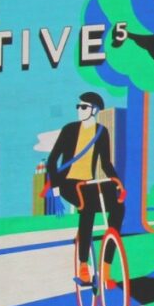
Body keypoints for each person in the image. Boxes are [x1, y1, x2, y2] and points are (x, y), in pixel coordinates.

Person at [45, 90, 123, 290]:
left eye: (83, 107)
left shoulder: (101, 132)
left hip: (88, 183)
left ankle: (106, 269)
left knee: (119, 207)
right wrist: (54, 191)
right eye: (78, 106)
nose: (79, 110)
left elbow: (105, 164)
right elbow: (52, 160)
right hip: (68, 182)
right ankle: (83, 266)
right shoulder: (69, 129)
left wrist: (117, 182)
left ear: (94, 110)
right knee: (87, 209)